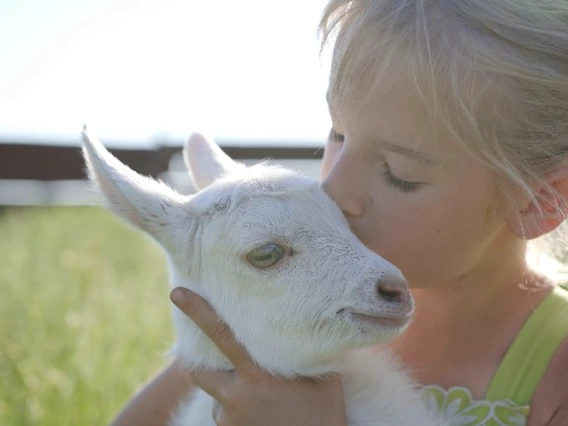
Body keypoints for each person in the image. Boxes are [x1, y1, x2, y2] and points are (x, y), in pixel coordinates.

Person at [110, 1, 568, 425]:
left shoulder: (556, 372)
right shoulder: (271, 316)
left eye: (398, 171)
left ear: (538, 200)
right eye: (338, 135)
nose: (333, 186)